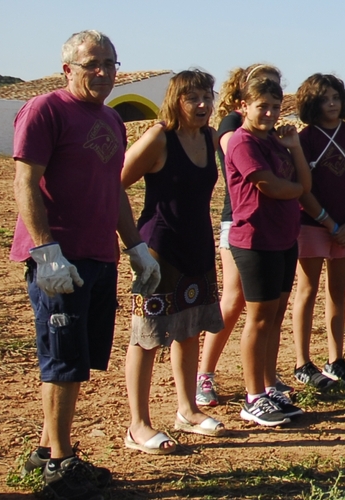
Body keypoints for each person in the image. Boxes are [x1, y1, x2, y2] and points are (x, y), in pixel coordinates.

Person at [11, 30, 160, 500]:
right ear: (68, 69)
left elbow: (114, 188)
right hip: (60, 259)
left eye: (110, 63)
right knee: (62, 360)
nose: (103, 72)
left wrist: (135, 246)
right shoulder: (46, 110)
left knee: (77, 358)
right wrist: (45, 250)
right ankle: (60, 464)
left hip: (99, 255)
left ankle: (47, 448)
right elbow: (25, 180)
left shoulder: (113, 122)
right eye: (92, 63)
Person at [121, 70, 226, 455]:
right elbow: (117, 181)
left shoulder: (208, 137)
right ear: (176, 99)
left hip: (197, 245)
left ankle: (187, 410)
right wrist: (132, 244)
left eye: (207, 97)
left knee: (190, 327)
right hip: (159, 250)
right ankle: (139, 425)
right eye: (193, 98)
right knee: (147, 335)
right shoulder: (158, 138)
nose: (202, 105)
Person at [196, 64, 294, 406]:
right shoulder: (233, 127)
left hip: (273, 222)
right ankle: (205, 374)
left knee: (268, 308)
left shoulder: (272, 133)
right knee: (235, 300)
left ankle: (266, 379)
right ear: (244, 95)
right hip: (239, 220)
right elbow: (238, 158)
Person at [226, 76, 310, 426]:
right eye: (263, 106)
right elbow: (270, 186)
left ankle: (269, 382)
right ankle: (253, 396)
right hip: (255, 241)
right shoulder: (242, 142)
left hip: (284, 239)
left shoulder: (276, 143)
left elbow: (305, 182)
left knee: (274, 317)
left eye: (276, 107)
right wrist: (296, 189)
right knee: (258, 319)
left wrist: (294, 147)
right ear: (243, 106)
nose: (271, 113)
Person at [291, 74, 345, 389]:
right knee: (307, 291)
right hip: (312, 225)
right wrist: (327, 221)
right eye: (325, 99)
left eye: (336, 97)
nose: (332, 104)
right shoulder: (304, 138)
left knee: (338, 292)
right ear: (313, 103)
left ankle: (336, 360)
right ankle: (302, 362)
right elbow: (301, 188)